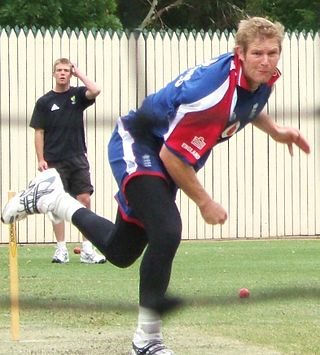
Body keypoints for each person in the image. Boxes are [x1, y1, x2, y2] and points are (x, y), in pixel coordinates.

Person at [2, 17, 311, 355]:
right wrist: (205, 202)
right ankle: (147, 339)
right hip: (139, 142)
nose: (266, 61)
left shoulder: (259, 77)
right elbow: (173, 157)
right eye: (257, 54)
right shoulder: (210, 94)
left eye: (273, 53)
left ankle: (52, 198)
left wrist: (276, 130)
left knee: (121, 252)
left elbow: (248, 104)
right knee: (167, 230)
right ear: (239, 53)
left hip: (163, 152)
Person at [29, 58, 106, 264]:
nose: (62, 73)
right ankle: (61, 249)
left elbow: (96, 90)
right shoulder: (44, 102)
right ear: (53, 74)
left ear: (70, 74)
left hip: (77, 157)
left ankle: (88, 249)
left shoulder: (77, 96)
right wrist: (41, 159)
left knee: (84, 200)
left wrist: (79, 73)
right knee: (55, 205)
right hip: (54, 160)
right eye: (59, 70)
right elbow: (39, 132)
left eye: (66, 70)